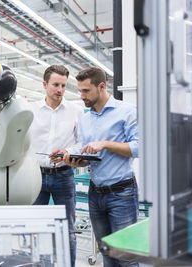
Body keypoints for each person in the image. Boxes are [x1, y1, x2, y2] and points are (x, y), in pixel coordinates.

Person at [63, 66, 139, 267]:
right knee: (107, 255)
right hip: (95, 194)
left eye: (86, 90)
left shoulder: (127, 112)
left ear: (102, 86)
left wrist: (105, 143)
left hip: (122, 193)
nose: (81, 96)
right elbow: (90, 156)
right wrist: (76, 160)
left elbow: (139, 147)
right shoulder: (86, 120)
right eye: (79, 91)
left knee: (127, 258)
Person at [28, 65, 83, 267]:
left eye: (63, 85)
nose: (59, 90)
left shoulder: (75, 111)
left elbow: (81, 142)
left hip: (64, 175)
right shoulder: (31, 110)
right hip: (35, 176)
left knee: (67, 228)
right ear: (45, 85)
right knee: (36, 227)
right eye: (55, 85)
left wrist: (69, 152)